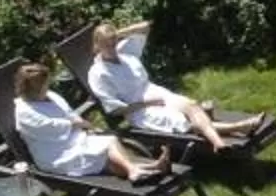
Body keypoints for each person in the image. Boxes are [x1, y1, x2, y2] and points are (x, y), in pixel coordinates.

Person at [83, 21, 265, 151]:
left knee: (191, 106)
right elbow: (114, 111)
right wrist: (147, 104)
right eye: (107, 45)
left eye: (113, 43)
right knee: (183, 122)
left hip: (156, 93)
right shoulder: (98, 73)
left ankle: (217, 142)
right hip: (139, 110)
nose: (112, 48)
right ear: (97, 45)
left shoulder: (124, 52)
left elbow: (146, 26)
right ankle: (239, 127)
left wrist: (118, 33)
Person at [12, 60, 168, 181]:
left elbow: (68, 112)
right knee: (105, 151)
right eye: (43, 87)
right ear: (31, 89)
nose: (47, 88)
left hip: (75, 141)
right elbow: (47, 127)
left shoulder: (51, 96)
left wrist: (85, 125)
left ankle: (146, 167)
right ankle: (138, 169)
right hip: (56, 154)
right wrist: (74, 124)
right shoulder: (24, 111)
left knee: (110, 143)